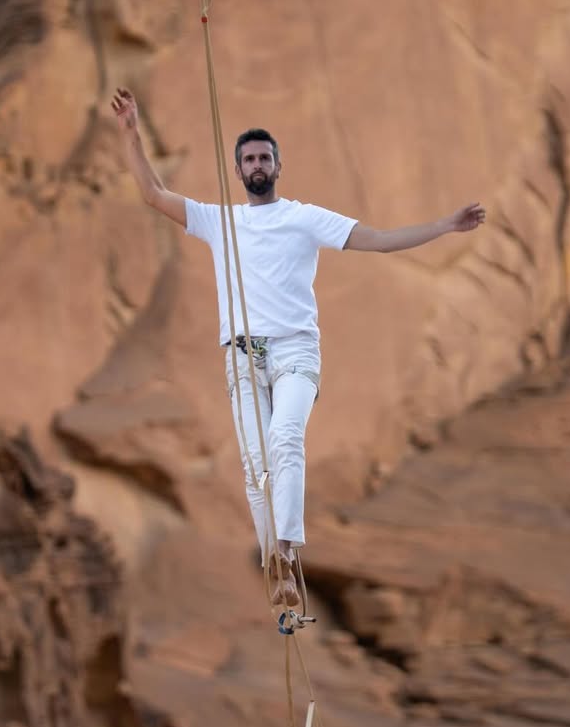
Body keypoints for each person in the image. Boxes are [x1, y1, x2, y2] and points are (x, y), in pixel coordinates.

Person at [111, 86, 486, 622]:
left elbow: (377, 239)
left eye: (265, 157)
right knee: (254, 466)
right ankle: (275, 567)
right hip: (242, 357)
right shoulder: (220, 220)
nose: (257, 164)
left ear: (279, 166)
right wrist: (131, 133)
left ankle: (286, 550)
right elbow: (153, 194)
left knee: (286, 438)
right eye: (248, 159)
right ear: (238, 170)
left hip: (294, 351)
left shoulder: (305, 218)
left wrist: (446, 226)